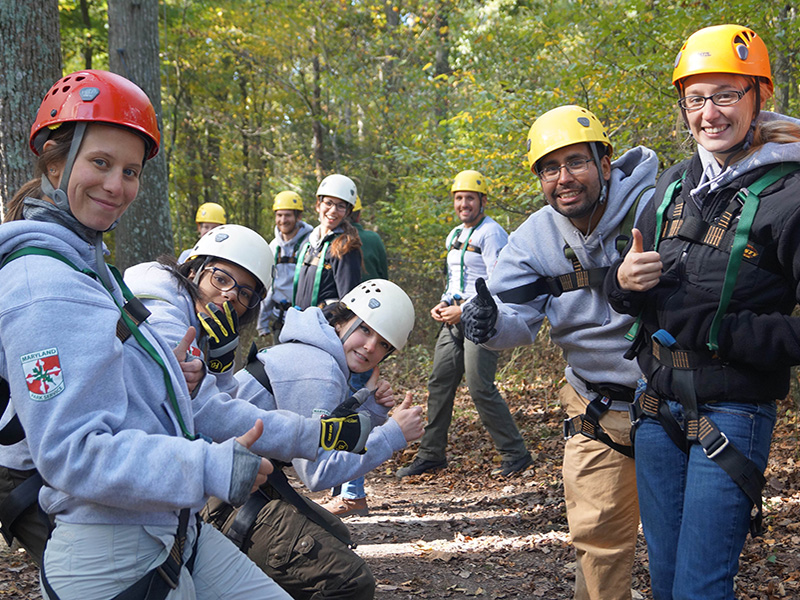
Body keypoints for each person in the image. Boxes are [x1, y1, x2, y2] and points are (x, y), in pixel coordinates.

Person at [0, 69, 361, 600]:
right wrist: (210, 464)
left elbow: (108, 384)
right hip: (113, 544)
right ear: (55, 162)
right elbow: (72, 451)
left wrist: (169, 372)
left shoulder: (89, 269)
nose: (116, 185)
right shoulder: (47, 284)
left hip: (167, 524)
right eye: (100, 162)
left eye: (130, 170)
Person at [606, 24, 800, 599]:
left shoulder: (791, 197)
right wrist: (625, 285)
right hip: (657, 410)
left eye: (724, 95)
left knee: (699, 589)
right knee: (666, 585)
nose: (709, 113)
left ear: (758, 96)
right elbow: (633, 291)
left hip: (733, 413)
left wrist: (721, 330)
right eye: (695, 98)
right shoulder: (672, 186)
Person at [460, 106, 657, 600]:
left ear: (605, 164)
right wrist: (489, 325)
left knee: (680, 543)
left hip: (674, 403)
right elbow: (515, 319)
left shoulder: (658, 208)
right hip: (597, 408)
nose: (563, 178)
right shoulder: (533, 238)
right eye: (550, 168)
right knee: (597, 542)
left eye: (576, 163)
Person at [204, 279, 423, 599]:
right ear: (341, 319)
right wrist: (392, 436)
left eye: (384, 345)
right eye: (365, 330)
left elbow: (326, 434)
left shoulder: (314, 350)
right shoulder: (317, 367)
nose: (371, 347)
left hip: (229, 477)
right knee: (350, 581)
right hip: (211, 493)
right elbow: (320, 473)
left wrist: (372, 412)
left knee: (334, 533)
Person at [396, 170, 532, 479]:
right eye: (459, 198)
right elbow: (457, 279)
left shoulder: (492, 233)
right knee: (439, 383)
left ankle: (516, 453)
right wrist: (445, 302)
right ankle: (431, 454)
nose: (464, 203)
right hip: (453, 319)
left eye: (470, 198)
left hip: (481, 320)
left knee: (479, 386)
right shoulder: (455, 234)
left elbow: (500, 283)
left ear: (483, 201)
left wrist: (465, 310)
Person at [321, 194, 389, 517]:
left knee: (349, 406)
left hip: (352, 331)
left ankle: (351, 491)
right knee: (351, 405)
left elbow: (348, 297)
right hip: (372, 332)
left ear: (350, 210)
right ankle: (344, 489)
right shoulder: (359, 240)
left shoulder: (348, 244)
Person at [293, 174, 361, 309]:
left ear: (347, 212)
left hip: (325, 326)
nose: (333, 210)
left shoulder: (345, 248)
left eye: (340, 206)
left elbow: (348, 301)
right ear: (318, 205)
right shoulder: (307, 244)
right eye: (328, 203)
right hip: (300, 323)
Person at [257, 191, 313, 340]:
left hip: (303, 320)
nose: (283, 220)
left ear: (298, 216)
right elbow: (269, 286)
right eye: (279, 215)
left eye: (287, 215)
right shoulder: (274, 246)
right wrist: (262, 322)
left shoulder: (310, 243)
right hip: (279, 319)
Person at [350, 195, 388, 280]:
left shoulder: (329, 240)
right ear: (359, 215)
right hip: (374, 292)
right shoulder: (374, 238)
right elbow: (384, 277)